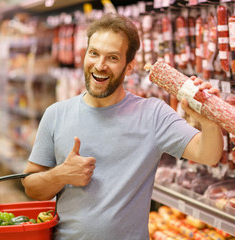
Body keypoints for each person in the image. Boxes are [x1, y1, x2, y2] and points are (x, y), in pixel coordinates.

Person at [22, 13, 223, 240]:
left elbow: (209, 155)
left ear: (129, 67)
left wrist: (209, 121)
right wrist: (61, 175)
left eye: (113, 58)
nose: (100, 65)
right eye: (94, 53)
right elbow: (31, 187)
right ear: (84, 55)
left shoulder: (152, 114)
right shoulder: (56, 114)